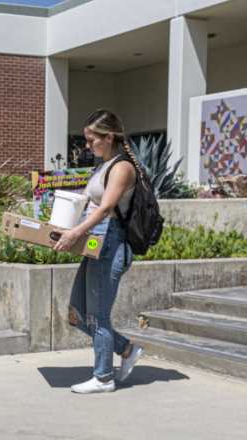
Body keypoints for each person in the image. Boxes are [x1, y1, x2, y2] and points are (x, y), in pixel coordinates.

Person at [53, 109, 144, 394]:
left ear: (109, 137)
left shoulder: (122, 167)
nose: (88, 146)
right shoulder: (102, 166)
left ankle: (104, 377)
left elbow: (105, 208)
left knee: (98, 315)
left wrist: (75, 233)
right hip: (96, 243)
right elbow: (87, 201)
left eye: (92, 140)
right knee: (77, 314)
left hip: (112, 243)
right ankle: (126, 349)